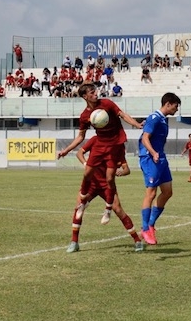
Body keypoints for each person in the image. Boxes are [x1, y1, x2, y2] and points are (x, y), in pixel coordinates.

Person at [57, 83, 143, 225]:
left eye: (95, 91)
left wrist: (136, 124)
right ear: (85, 96)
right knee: (87, 174)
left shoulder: (107, 103)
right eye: (92, 92)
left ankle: (108, 209)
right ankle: (83, 202)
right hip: (100, 145)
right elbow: (80, 137)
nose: (96, 93)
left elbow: (122, 115)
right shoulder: (85, 116)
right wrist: (66, 150)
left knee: (109, 179)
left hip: (115, 144)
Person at [68, 136, 144, 253]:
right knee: (78, 206)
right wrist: (86, 164)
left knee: (118, 210)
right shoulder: (95, 140)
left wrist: (121, 172)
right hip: (92, 183)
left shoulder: (118, 148)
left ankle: (137, 241)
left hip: (107, 185)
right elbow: (79, 153)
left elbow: (127, 169)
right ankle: (74, 242)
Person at [138, 92, 181, 245]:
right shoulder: (154, 118)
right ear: (168, 104)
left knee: (168, 191)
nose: (177, 110)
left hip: (160, 157)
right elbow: (145, 138)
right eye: (176, 107)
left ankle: (150, 223)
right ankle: (145, 228)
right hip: (150, 158)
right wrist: (153, 152)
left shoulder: (163, 120)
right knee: (151, 192)